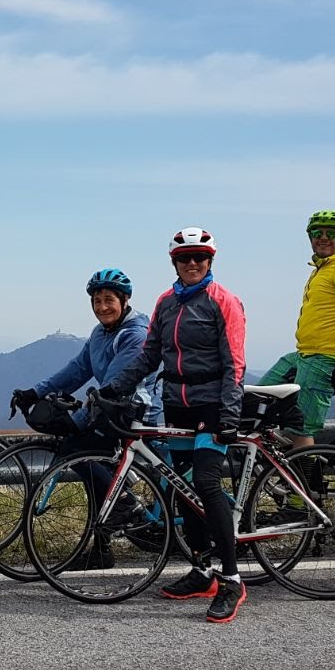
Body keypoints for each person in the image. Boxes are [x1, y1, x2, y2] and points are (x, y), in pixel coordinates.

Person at [101, 228, 248, 623]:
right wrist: (114, 387)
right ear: (175, 263)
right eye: (185, 258)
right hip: (176, 403)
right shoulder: (166, 302)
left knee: (205, 482)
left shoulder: (224, 301)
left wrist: (231, 414)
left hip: (214, 404)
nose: (193, 263)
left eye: (200, 257)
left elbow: (235, 362)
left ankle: (231, 578)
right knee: (181, 489)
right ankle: (203, 572)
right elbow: (150, 355)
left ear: (210, 260)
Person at [12, 269, 161, 568]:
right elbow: (77, 369)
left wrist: (77, 420)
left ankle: (124, 507)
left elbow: (115, 387)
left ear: (124, 300)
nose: (102, 307)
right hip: (112, 410)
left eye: (109, 300)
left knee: (77, 451)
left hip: (134, 412)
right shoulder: (100, 333)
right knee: (94, 467)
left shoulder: (134, 335)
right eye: (96, 301)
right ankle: (102, 548)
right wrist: (34, 392)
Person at [256, 209, 335, 448]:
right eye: (317, 232)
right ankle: (282, 464)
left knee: (302, 426)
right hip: (304, 354)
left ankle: (305, 484)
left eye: (333, 233)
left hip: (326, 358)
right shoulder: (323, 269)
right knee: (257, 397)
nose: (324, 237)